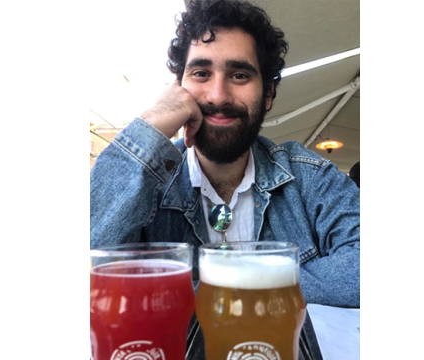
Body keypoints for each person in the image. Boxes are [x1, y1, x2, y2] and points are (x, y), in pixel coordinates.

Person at [90, 0, 360, 308]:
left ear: (268, 93)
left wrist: (217, 289)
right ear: (178, 88)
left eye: (240, 75)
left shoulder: (309, 176)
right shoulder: (144, 184)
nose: (218, 95)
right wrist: (151, 125)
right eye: (201, 73)